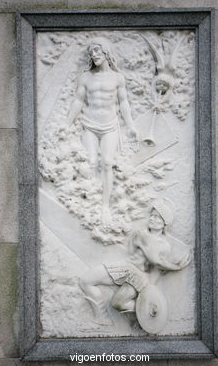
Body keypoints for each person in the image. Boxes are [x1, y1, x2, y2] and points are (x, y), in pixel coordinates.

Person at [79, 198, 191, 330]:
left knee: (117, 303)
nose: (153, 219)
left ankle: (146, 311)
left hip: (137, 277)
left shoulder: (164, 245)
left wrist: (175, 267)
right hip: (125, 267)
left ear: (165, 224)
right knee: (86, 280)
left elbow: (156, 263)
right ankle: (102, 318)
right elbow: (140, 252)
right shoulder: (141, 234)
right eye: (152, 216)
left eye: (158, 218)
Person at [64, 37, 138, 225]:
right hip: (89, 124)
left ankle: (105, 206)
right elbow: (78, 101)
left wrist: (130, 127)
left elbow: (123, 103)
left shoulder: (117, 78)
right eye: (91, 52)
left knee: (106, 163)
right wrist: (67, 123)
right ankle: (88, 204)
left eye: (97, 51)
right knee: (89, 163)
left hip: (110, 126)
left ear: (106, 52)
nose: (93, 55)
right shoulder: (86, 77)